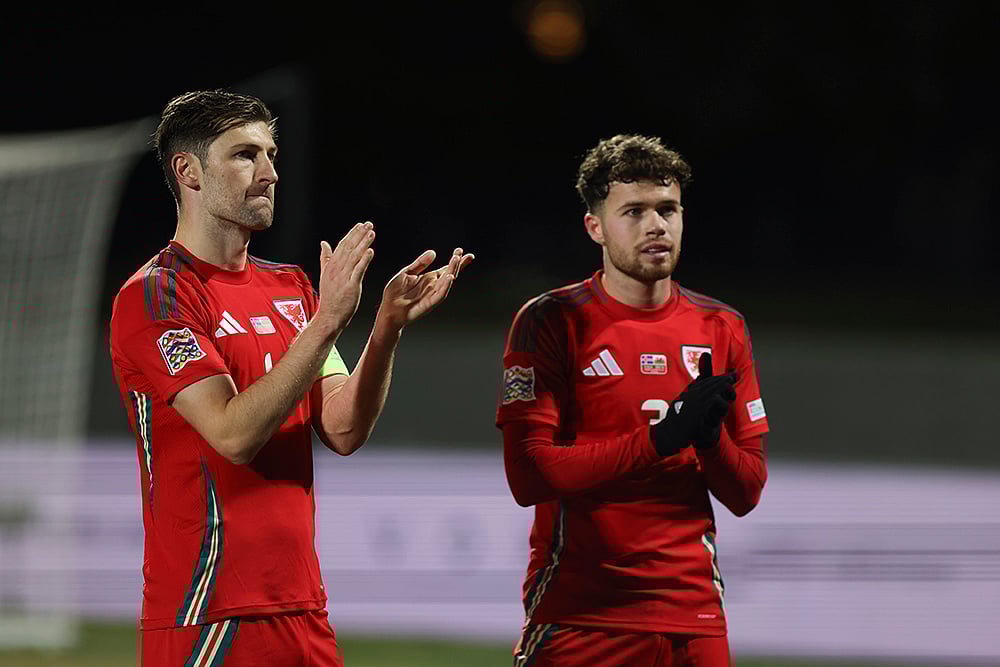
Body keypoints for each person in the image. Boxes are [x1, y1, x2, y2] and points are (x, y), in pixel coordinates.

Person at [110, 89, 473, 666]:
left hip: (303, 609)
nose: (270, 173)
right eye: (246, 155)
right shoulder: (156, 296)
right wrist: (328, 322)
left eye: (272, 154)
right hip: (209, 617)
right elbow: (232, 435)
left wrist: (385, 328)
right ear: (189, 172)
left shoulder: (292, 289)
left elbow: (342, 428)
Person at [496, 134, 768, 667]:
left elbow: (747, 492)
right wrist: (661, 439)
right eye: (634, 211)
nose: (656, 226)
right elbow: (528, 475)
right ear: (594, 226)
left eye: (668, 209)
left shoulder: (722, 327)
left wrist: (710, 443)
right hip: (583, 617)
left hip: (694, 620)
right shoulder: (551, 320)